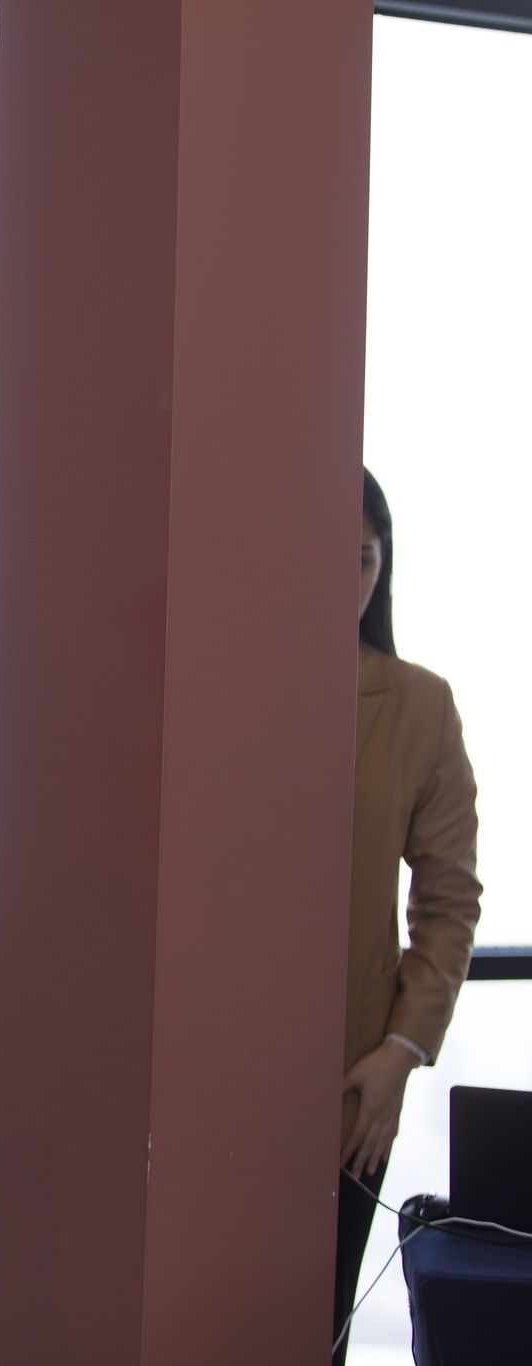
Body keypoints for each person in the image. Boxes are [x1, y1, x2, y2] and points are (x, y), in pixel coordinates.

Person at [333, 467, 482, 1361]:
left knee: (314, 1320)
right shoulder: (224, 686)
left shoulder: (421, 706)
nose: (346, 578)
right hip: (215, 1064)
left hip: (354, 1079)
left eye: (363, 558)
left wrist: (400, 1052)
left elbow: (449, 900)